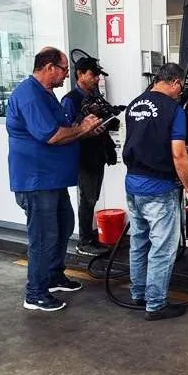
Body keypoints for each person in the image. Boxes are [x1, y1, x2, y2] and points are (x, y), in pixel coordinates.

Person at [6, 47, 101, 312]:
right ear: (49, 67)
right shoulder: (29, 95)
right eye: (64, 70)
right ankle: (35, 293)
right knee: (43, 236)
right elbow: (51, 135)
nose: (66, 75)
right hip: (36, 181)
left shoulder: (46, 94)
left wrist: (85, 130)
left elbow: (65, 130)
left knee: (63, 225)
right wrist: (82, 128)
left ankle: (54, 276)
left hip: (52, 180)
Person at [122, 62, 188, 321]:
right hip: (158, 188)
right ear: (175, 82)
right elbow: (179, 154)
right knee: (162, 248)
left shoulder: (134, 105)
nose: (181, 92)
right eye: (181, 87)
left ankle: (138, 293)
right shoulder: (173, 110)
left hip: (133, 183)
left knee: (139, 241)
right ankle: (155, 304)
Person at [61, 57, 118, 256]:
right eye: (93, 75)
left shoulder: (95, 97)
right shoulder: (70, 100)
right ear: (80, 74)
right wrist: (87, 131)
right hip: (83, 157)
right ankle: (84, 241)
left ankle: (89, 237)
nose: (96, 79)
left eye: (97, 75)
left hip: (98, 154)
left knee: (92, 197)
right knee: (88, 198)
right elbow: (67, 132)